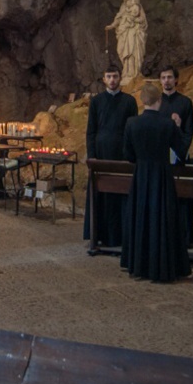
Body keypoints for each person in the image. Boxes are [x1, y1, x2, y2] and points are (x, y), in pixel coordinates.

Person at [120, 83, 190, 282]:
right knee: (162, 219)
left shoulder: (132, 123)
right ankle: (162, 265)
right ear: (159, 100)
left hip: (141, 175)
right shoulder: (167, 124)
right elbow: (181, 149)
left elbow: (128, 154)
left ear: (142, 101)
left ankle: (139, 265)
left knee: (141, 217)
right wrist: (177, 126)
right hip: (161, 176)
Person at [83, 65, 139, 250]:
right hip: (101, 154)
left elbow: (132, 131)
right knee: (101, 195)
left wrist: (132, 155)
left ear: (120, 78)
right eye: (109, 76)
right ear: (104, 79)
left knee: (121, 194)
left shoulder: (129, 101)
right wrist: (92, 156)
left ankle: (122, 236)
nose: (112, 80)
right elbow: (91, 131)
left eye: (115, 76)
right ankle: (99, 235)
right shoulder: (97, 101)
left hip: (122, 154)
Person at [157, 66, 193, 243]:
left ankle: (185, 237)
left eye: (170, 77)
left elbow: (189, 132)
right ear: (160, 81)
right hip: (160, 156)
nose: (167, 81)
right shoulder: (156, 102)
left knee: (182, 198)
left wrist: (178, 130)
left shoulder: (185, 102)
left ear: (176, 80)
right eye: (163, 77)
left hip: (178, 156)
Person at [105, 0, 147, 83]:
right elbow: (119, 18)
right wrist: (111, 26)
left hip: (134, 32)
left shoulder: (136, 4)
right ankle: (126, 72)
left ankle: (134, 73)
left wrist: (132, 20)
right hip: (124, 33)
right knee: (122, 50)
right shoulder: (123, 7)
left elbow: (142, 19)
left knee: (132, 51)